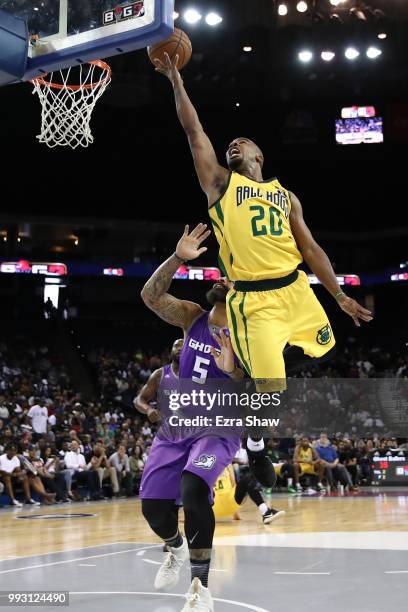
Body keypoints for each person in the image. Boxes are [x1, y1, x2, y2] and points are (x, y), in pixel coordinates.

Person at [153, 53, 373, 392]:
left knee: (326, 347)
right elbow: (194, 130)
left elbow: (311, 249)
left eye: (241, 142)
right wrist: (176, 81)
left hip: (296, 288)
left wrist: (340, 296)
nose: (233, 144)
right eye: (230, 145)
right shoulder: (220, 184)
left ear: (259, 156)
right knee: (272, 391)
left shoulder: (286, 196)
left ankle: (269, 355)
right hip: (254, 299)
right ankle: (257, 387)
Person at [140, 225, 248, 611]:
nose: (223, 277)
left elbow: (263, 387)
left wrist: (234, 370)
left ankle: (200, 590)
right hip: (177, 428)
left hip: (217, 429)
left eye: (233, 276)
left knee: (193, 489)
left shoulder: (250, 335)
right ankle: (174, 548)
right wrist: (178, 259)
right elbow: (150, 297)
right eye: (223, 271)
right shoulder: (193, 317)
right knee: (153, 509)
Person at [213, 463, 284, 524]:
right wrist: (234, 512)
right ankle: (265, 511)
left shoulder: (205, 461)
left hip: (215, 507)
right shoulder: (227, 462)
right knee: (247, 480)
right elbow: (233, 484)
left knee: (247, 480)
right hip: (226, 503)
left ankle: (266, 512)